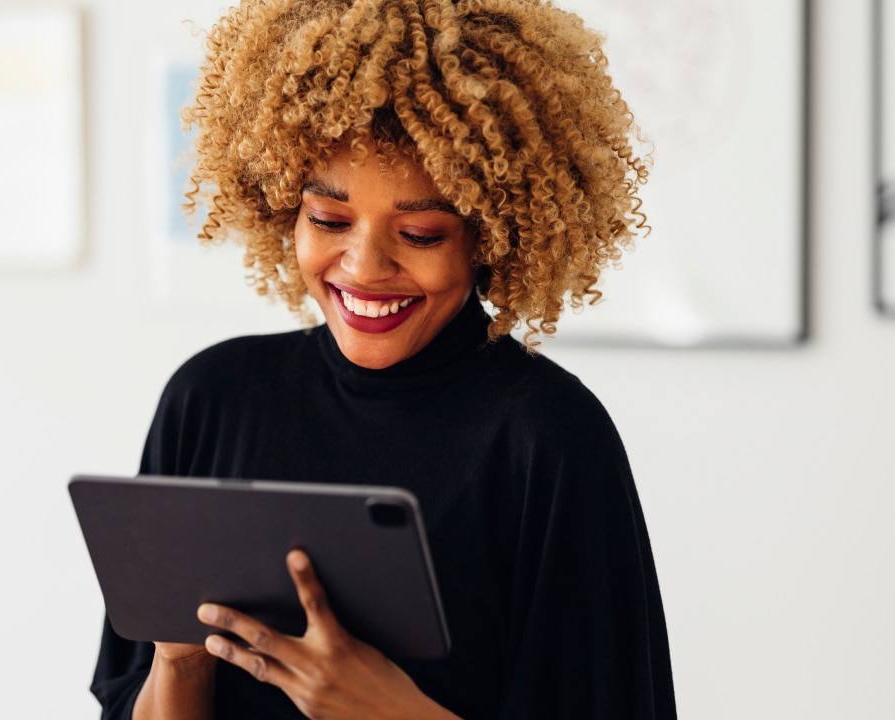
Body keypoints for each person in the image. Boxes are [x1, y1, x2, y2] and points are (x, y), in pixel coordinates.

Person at [91, 0, 676, 717]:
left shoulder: (547, 438)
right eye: (329, 220)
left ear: (490, 236)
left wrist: (387, 709)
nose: (364, 267)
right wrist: (179, 663)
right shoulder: (212, 399)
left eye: (422, 232)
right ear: (283, 206)